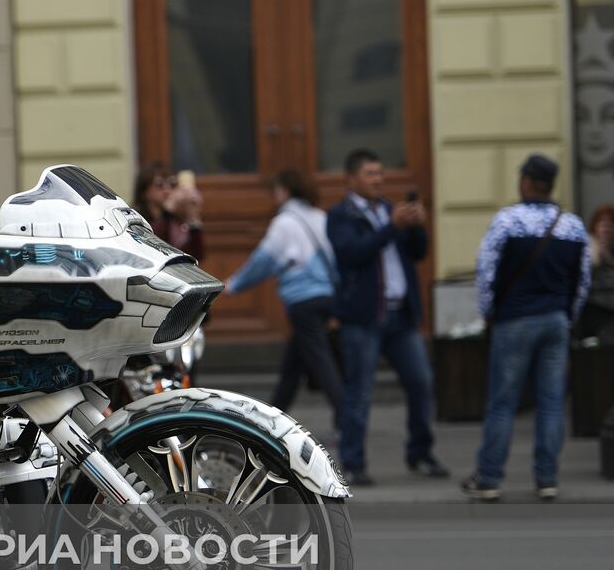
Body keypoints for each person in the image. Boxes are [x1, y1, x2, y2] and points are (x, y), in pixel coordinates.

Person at [462, 155, 591, 502]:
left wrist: (488, 312)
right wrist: (568, 315)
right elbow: (582, 281)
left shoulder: (508, 221)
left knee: (502, 403)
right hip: (555, 321)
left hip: (515, 320)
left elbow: (486, 270)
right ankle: (547, 478)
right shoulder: (573, 226)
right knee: (551, 403)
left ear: (527, 182)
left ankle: (489, 477)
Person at [326, 148, 447, 486]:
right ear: (351, 179)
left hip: (401, 315)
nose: (378, 179)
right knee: (360, 392)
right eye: (370, 174)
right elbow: (352, 254)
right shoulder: (341, 216)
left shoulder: (393, 210)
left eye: (380, 173)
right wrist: (392, 228)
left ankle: (420, 454)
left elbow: (418, 253)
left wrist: (418, 228)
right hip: (363, 318)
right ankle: (353, 463)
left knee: (421, 383)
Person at [224, 170, 344, 427]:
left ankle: (347, 420)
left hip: (302, 302)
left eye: (276, 190)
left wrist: (235, 284)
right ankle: (272, 420)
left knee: (323, 365)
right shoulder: (321, 217)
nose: (275, 196)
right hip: (327, 297)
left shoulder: (285, 222)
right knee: (293, 366)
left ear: (285, 191)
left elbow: (264, 260)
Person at [132, 161, 203, 259]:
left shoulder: (174, 220)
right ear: (145, 192)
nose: (167, 190)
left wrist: (192, 218)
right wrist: (168, 210)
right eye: (160, 184)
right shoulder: (136, 220)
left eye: (172, 184)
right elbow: (156, 243)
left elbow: (197, 256)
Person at [576, 205, 614, 344]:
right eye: (602, 222)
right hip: (592, 308)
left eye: (610, 223)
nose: (606, 228)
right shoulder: (587, 247)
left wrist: (608, 258)